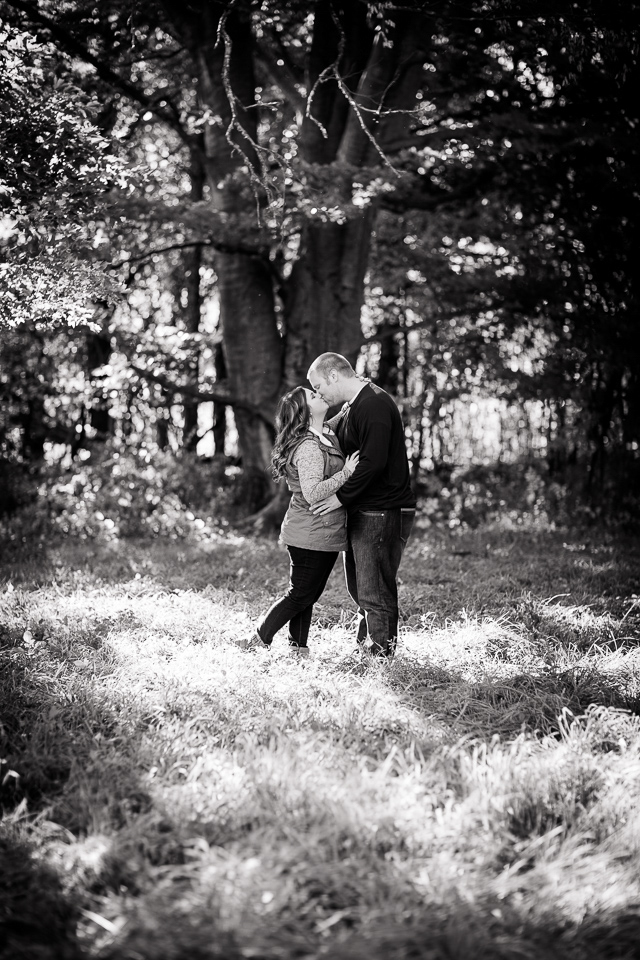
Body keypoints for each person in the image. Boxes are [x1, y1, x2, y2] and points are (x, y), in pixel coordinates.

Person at [235, 385, 359, 657]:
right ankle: (258, 638)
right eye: (312, 396)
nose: (319, 394)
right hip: (309, 532)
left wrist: (352, 401)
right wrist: (346, 473)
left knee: (307, 594)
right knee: (300, 594)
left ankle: (298, 649)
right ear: (305, 412)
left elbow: (332, 423)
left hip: (322, 530)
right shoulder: (308, 448)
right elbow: (314, 493)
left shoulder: (323, 432)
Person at [307, 353, 416, 659]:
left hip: (381, 510)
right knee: (360, 587)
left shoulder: (374, 404)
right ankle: (365, 647)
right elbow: (326, 432)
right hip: (364, 508)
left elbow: (373, 463)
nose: (319, 394)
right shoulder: (354, 404)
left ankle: (381, 656)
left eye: (318, 386)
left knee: (374, 588)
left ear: (333, 376)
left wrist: (338, 497)